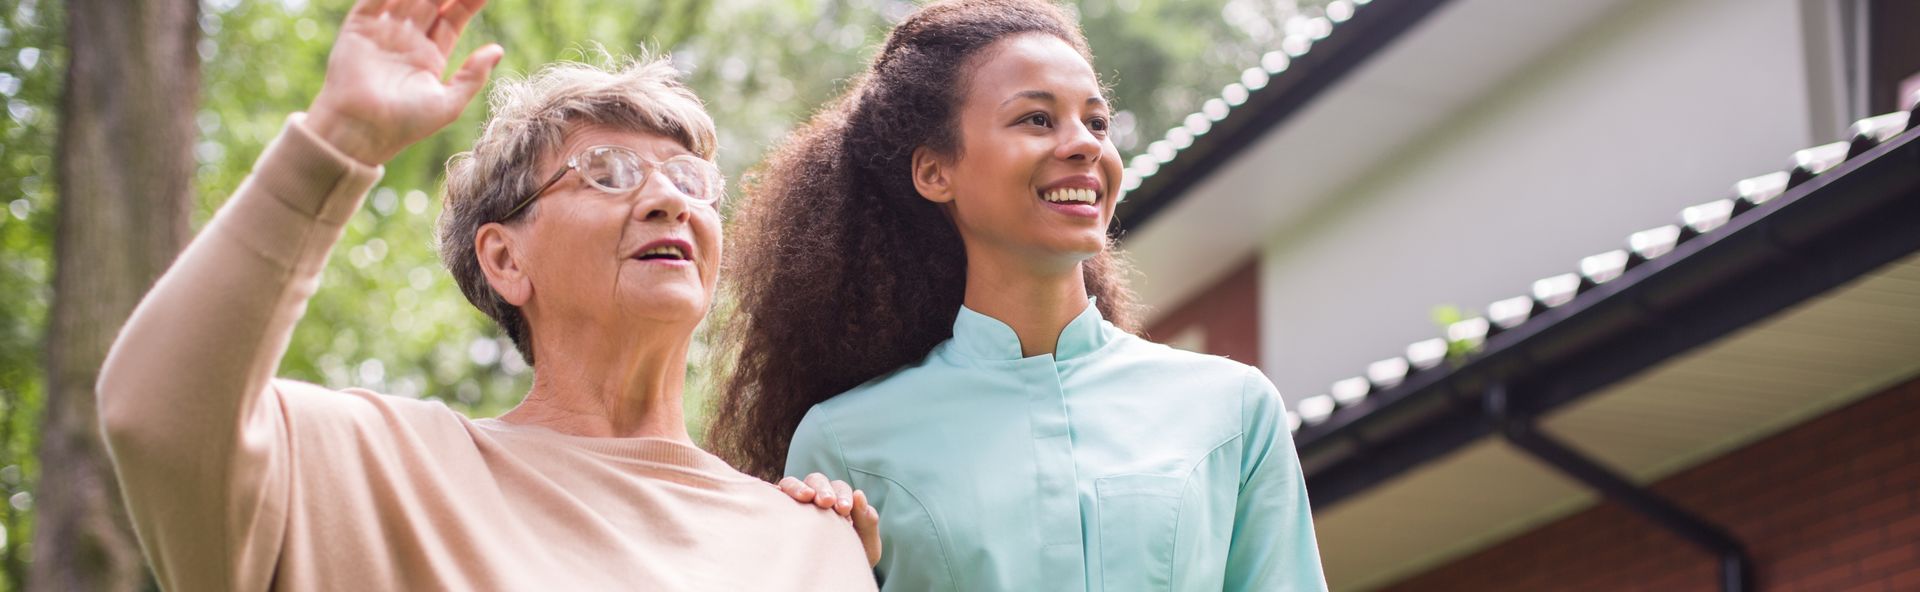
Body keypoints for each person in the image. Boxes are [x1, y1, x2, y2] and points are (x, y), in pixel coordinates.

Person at [98, 0, 876, 588]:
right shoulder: (387, 472)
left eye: (689, 181)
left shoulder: (809, 539)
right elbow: (156, 415)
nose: (668, 200)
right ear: (504, 259)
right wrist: (339, 139)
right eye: (608, 172)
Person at [710, 0, 1328, 590]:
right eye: (1036, 118)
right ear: (935, 172)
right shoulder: (843, 443)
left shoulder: (1234, 411)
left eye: (1096, 121)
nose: (1085, 143)